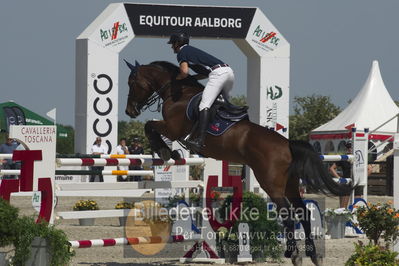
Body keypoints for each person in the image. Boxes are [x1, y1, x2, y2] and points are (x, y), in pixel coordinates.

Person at [168, 32, 235, 150]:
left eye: (173, 44)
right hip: (228, 71)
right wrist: (192, 78)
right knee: (222, 105)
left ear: (178, 43)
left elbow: (184, 72)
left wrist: (174, 79)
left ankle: (200, 140)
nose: (171, 46)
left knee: (204, 105)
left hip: (218, 74)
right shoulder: (191, 51)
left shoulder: (182, 52)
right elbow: (204, 74)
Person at [329, 142, 352, 208]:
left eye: (350, 147)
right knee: (343, 207)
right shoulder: (343, 158)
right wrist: (339, 178)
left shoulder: (358, 157)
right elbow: (331, 168)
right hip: (346, 182)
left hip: (356, 182)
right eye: (348, 147)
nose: (349, 149)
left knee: (357, 205)